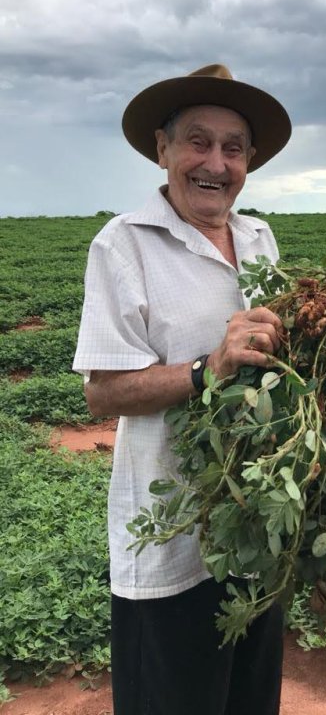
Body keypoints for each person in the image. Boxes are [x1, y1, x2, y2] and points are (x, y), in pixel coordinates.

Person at [73, 63, 292, 715]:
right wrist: (207, 369)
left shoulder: (258, 237)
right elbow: (103, 393)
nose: (216, 164)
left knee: (250, 699)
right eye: (199, 142)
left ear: (248, 161)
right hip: (172, 540)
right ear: (163, 148)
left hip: (257, 524)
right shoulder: (124, 245)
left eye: (233, 148)